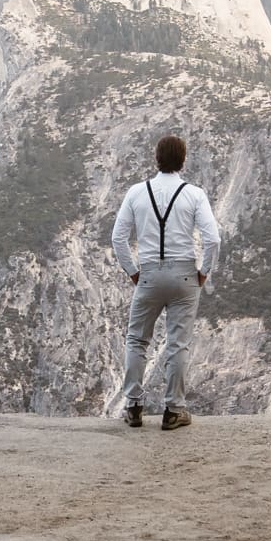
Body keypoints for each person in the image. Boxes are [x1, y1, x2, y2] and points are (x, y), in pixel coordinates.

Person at [111, 134, 220, 430]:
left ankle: (133, 407)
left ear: (156, 159)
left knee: (137, 339)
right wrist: (203, 272)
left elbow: (118, 238)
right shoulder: (194, 194)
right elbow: (212, 239)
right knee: (178, 343)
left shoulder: (136, 192)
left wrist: (133, 272)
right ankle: (174, 410)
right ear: (183, 160)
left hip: (148, 274)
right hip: (185, 274)